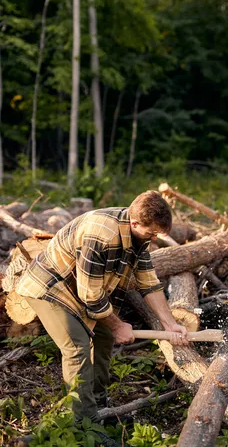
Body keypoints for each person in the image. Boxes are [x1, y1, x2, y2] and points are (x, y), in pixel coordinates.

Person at [16, 191, 188, 447]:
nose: (154, 240)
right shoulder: (101, 235)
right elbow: (91, 297)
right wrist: (118, 325)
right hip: (49, 288)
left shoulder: (138, 234)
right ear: (135, 223)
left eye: (157, 235)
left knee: (104, 338)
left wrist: (170, 324)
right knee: (77, 347)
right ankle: (83, 425)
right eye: (151, 234)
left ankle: (97, 408)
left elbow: (148, 282)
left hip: (82, 289)